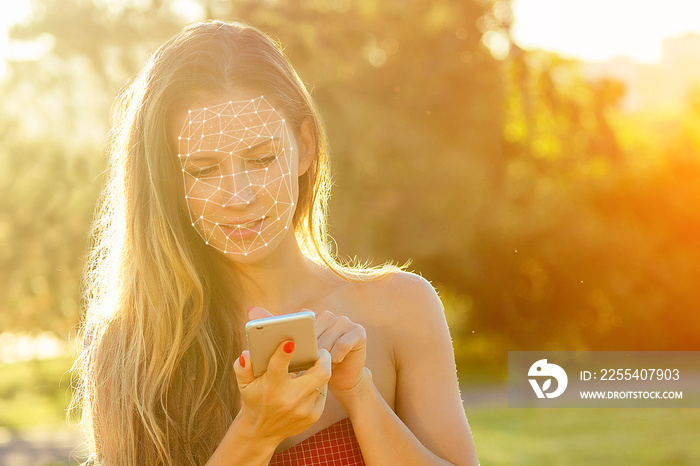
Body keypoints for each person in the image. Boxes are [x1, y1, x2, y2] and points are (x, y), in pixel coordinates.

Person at [72, 19, 479, 465]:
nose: (240, 197)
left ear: (304, 146)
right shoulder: (130, 347)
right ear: (167, 181)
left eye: (262, 158)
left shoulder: (403, 307)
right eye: (204, 170)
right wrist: (255, 432)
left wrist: (359, 393)